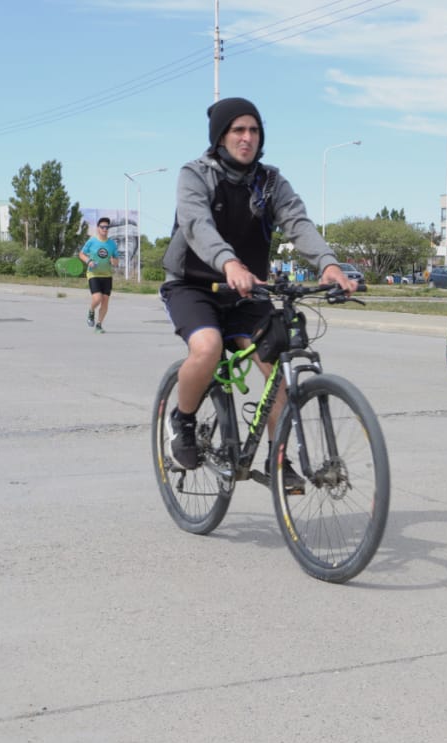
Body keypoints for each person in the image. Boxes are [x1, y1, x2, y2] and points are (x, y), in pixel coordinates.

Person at [159, 96, 355, 478]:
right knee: (208, 348)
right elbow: (197, 224)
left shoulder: (271, 182)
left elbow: (297, 223)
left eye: (254, 130)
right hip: (193, 286)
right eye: (238, 130)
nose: (247, 138)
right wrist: (229, 263)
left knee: (278, 365)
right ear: (220, 136)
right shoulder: (195, 174)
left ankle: (277, 458)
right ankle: (182, 420)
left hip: (248, 291)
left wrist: (328, 264)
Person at [79, 217, 119, 333]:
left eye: (107, 227)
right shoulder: (92, 241)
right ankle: (91, 311)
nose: (105, 229)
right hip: (93, 274)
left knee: (105, 301)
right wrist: (88, 261)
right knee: (97, 298)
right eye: (102, 227)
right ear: (98, 228)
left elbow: (116, 261)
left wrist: (114, 261)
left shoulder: (112, 244)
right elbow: (81, 254)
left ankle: (99, 325)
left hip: (107, 276)